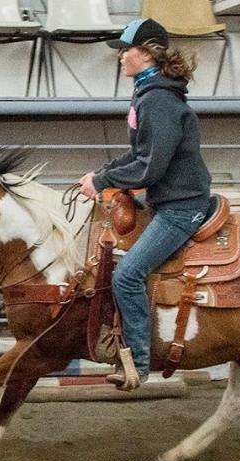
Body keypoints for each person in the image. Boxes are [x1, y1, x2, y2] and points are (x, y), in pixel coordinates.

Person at [78, 18, 213, 390]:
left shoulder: (157, 99)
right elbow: (140, 155)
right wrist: (100, 174)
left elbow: (150, 165)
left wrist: (103, 181)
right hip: (168, 198)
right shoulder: (150, 93)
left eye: (126, 50)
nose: (121, 57)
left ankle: (137, 360)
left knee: (127, 274)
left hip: (181, 206)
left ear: (148, 52)